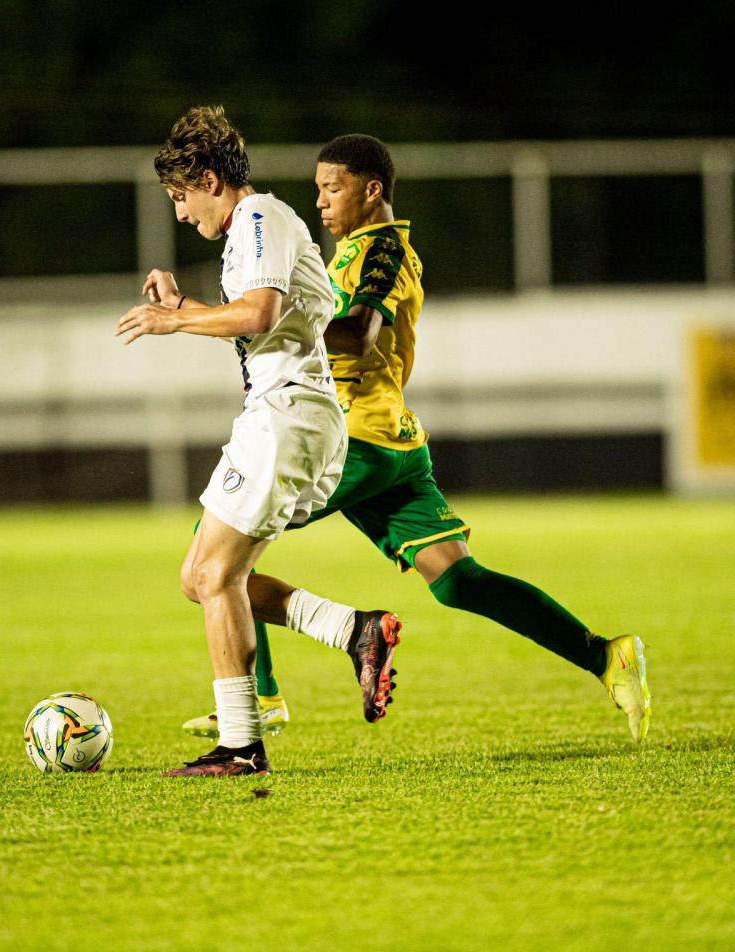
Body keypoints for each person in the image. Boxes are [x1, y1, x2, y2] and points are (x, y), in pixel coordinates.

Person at [184, 133, 652, 746]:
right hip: (395, 442)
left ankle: (264, 698)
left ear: (370, 189)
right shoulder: (353, 251)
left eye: (333, 188)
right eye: (318, 189)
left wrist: (272, 325)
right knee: (459, 581)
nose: (321, 202)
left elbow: (359, 333)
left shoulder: (381, 252)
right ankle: (604, 655)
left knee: (214, 557)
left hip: (354, 437)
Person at [116, 108, 401, 777]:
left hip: (289, 412)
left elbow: (262, 315)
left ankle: (242, 746)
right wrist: (184, 307)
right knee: (203, 578)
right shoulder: (248, 231)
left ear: (209, 180)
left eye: (182, 198)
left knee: (214, 576)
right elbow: (260, 321)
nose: (182, 214)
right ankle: (353, 631)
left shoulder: (259, 218)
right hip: (283, 414)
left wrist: (170, 322)